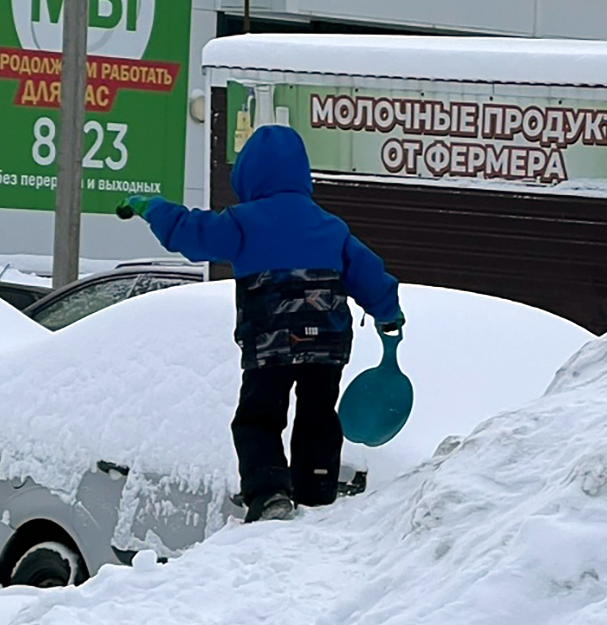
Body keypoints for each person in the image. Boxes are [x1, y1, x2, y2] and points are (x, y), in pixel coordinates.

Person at [115, 125, 404, 523]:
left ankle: (269, 493)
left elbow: (193, 234)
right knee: (318, 413)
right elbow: (368, 273)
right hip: (327, 344)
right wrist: (388, 314)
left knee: (259, 417)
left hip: (270, 342)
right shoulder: (331, 226)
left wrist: (154, 208)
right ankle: (317, 489)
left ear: (250, 175)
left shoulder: (242, 222)